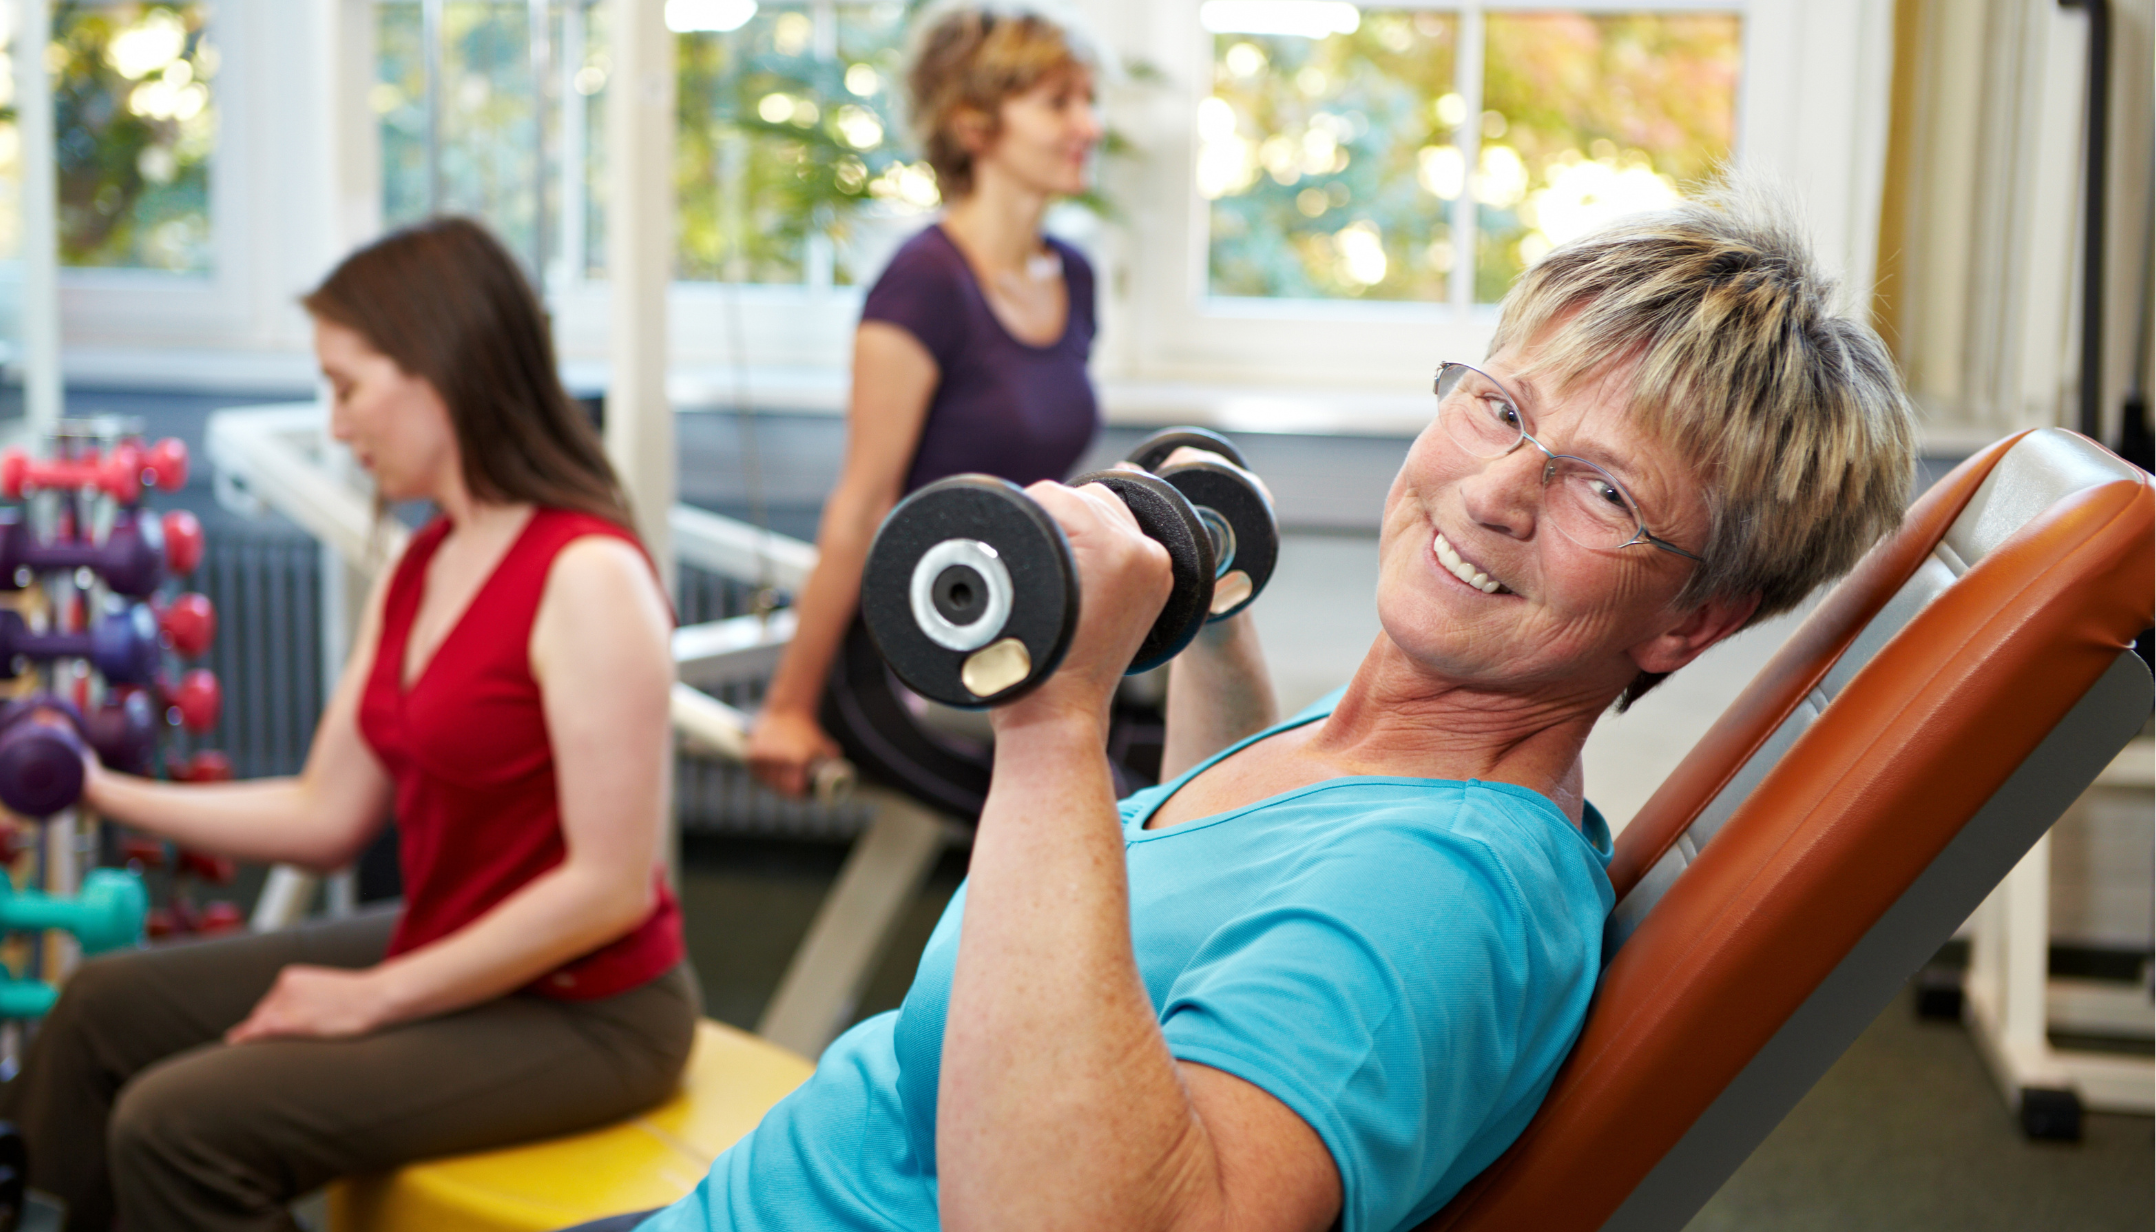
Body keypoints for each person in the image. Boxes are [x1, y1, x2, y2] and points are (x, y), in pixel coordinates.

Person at [577, 179, 1917, 1232]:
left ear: (1691, 619)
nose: (1503, 488)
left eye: (1606, 493)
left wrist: (1052, 715)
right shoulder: (1385, 742)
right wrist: (1206, 616)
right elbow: (1215, 907)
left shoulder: (1442, 896)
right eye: (1504, 407)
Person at [2, 217, 696, 1232]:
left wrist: (371, 998)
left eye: (346, 385)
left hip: (588, 1009)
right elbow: (326, 812)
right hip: (456, 941)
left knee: (175, 1128)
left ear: (440, 370)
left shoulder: (587, 575)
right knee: (97, 1009)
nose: (334, 424)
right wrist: (95, 787)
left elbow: (606, 889)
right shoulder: (422, 565)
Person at [746, 0, 1106, 798]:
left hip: (1010, 619)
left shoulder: (1073, 279)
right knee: (1071, 811)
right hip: (896, 639)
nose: (1088, 124)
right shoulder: (923, 286)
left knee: (1148, 777)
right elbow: (863, 501)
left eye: (1088, 100)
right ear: (975, 125)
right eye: (1058, 103)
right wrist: (787, 705)